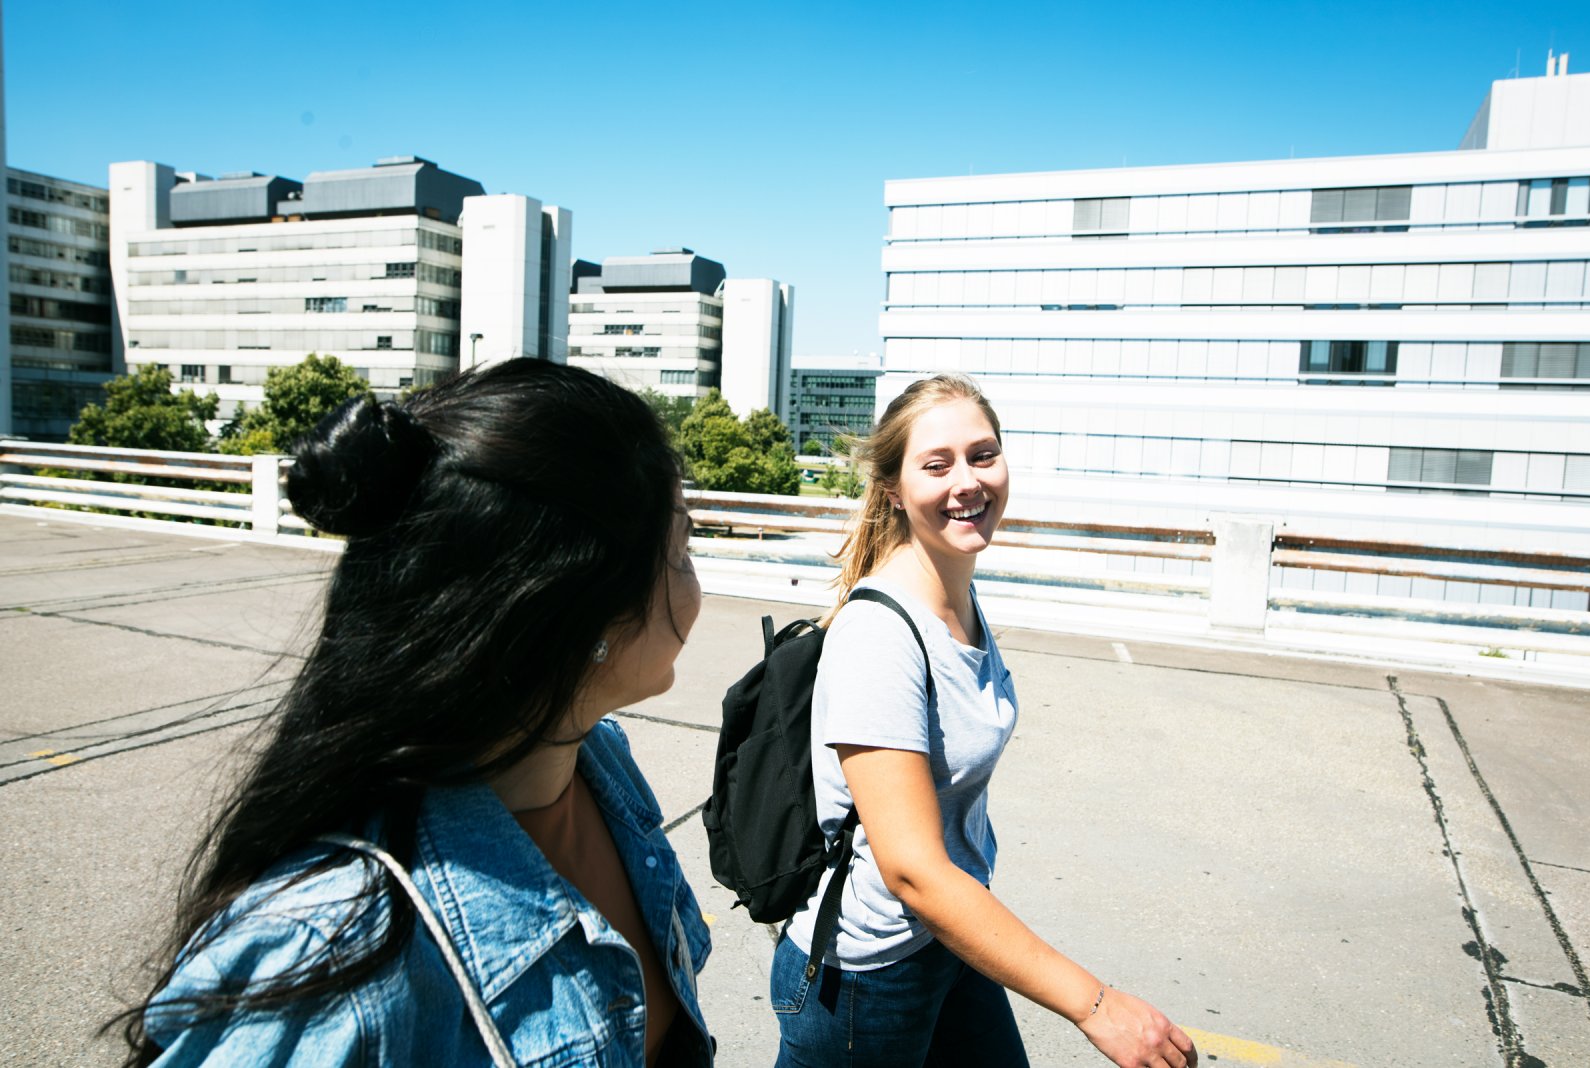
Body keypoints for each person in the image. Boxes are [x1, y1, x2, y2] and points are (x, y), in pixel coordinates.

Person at [113, 359, 714, 1067]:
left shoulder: (601, 764)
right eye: (680, 547)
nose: (692, 579)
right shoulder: (330, 959)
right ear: (577, 609)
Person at [771, 373, 1197, 1068]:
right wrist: (1097, 1006)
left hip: (951, 938)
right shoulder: (881, 636)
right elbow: (912, 871)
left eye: (983, 454)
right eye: (936, 465)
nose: (967, 480)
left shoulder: (957, 597)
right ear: (893, 491)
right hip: (866, 982)